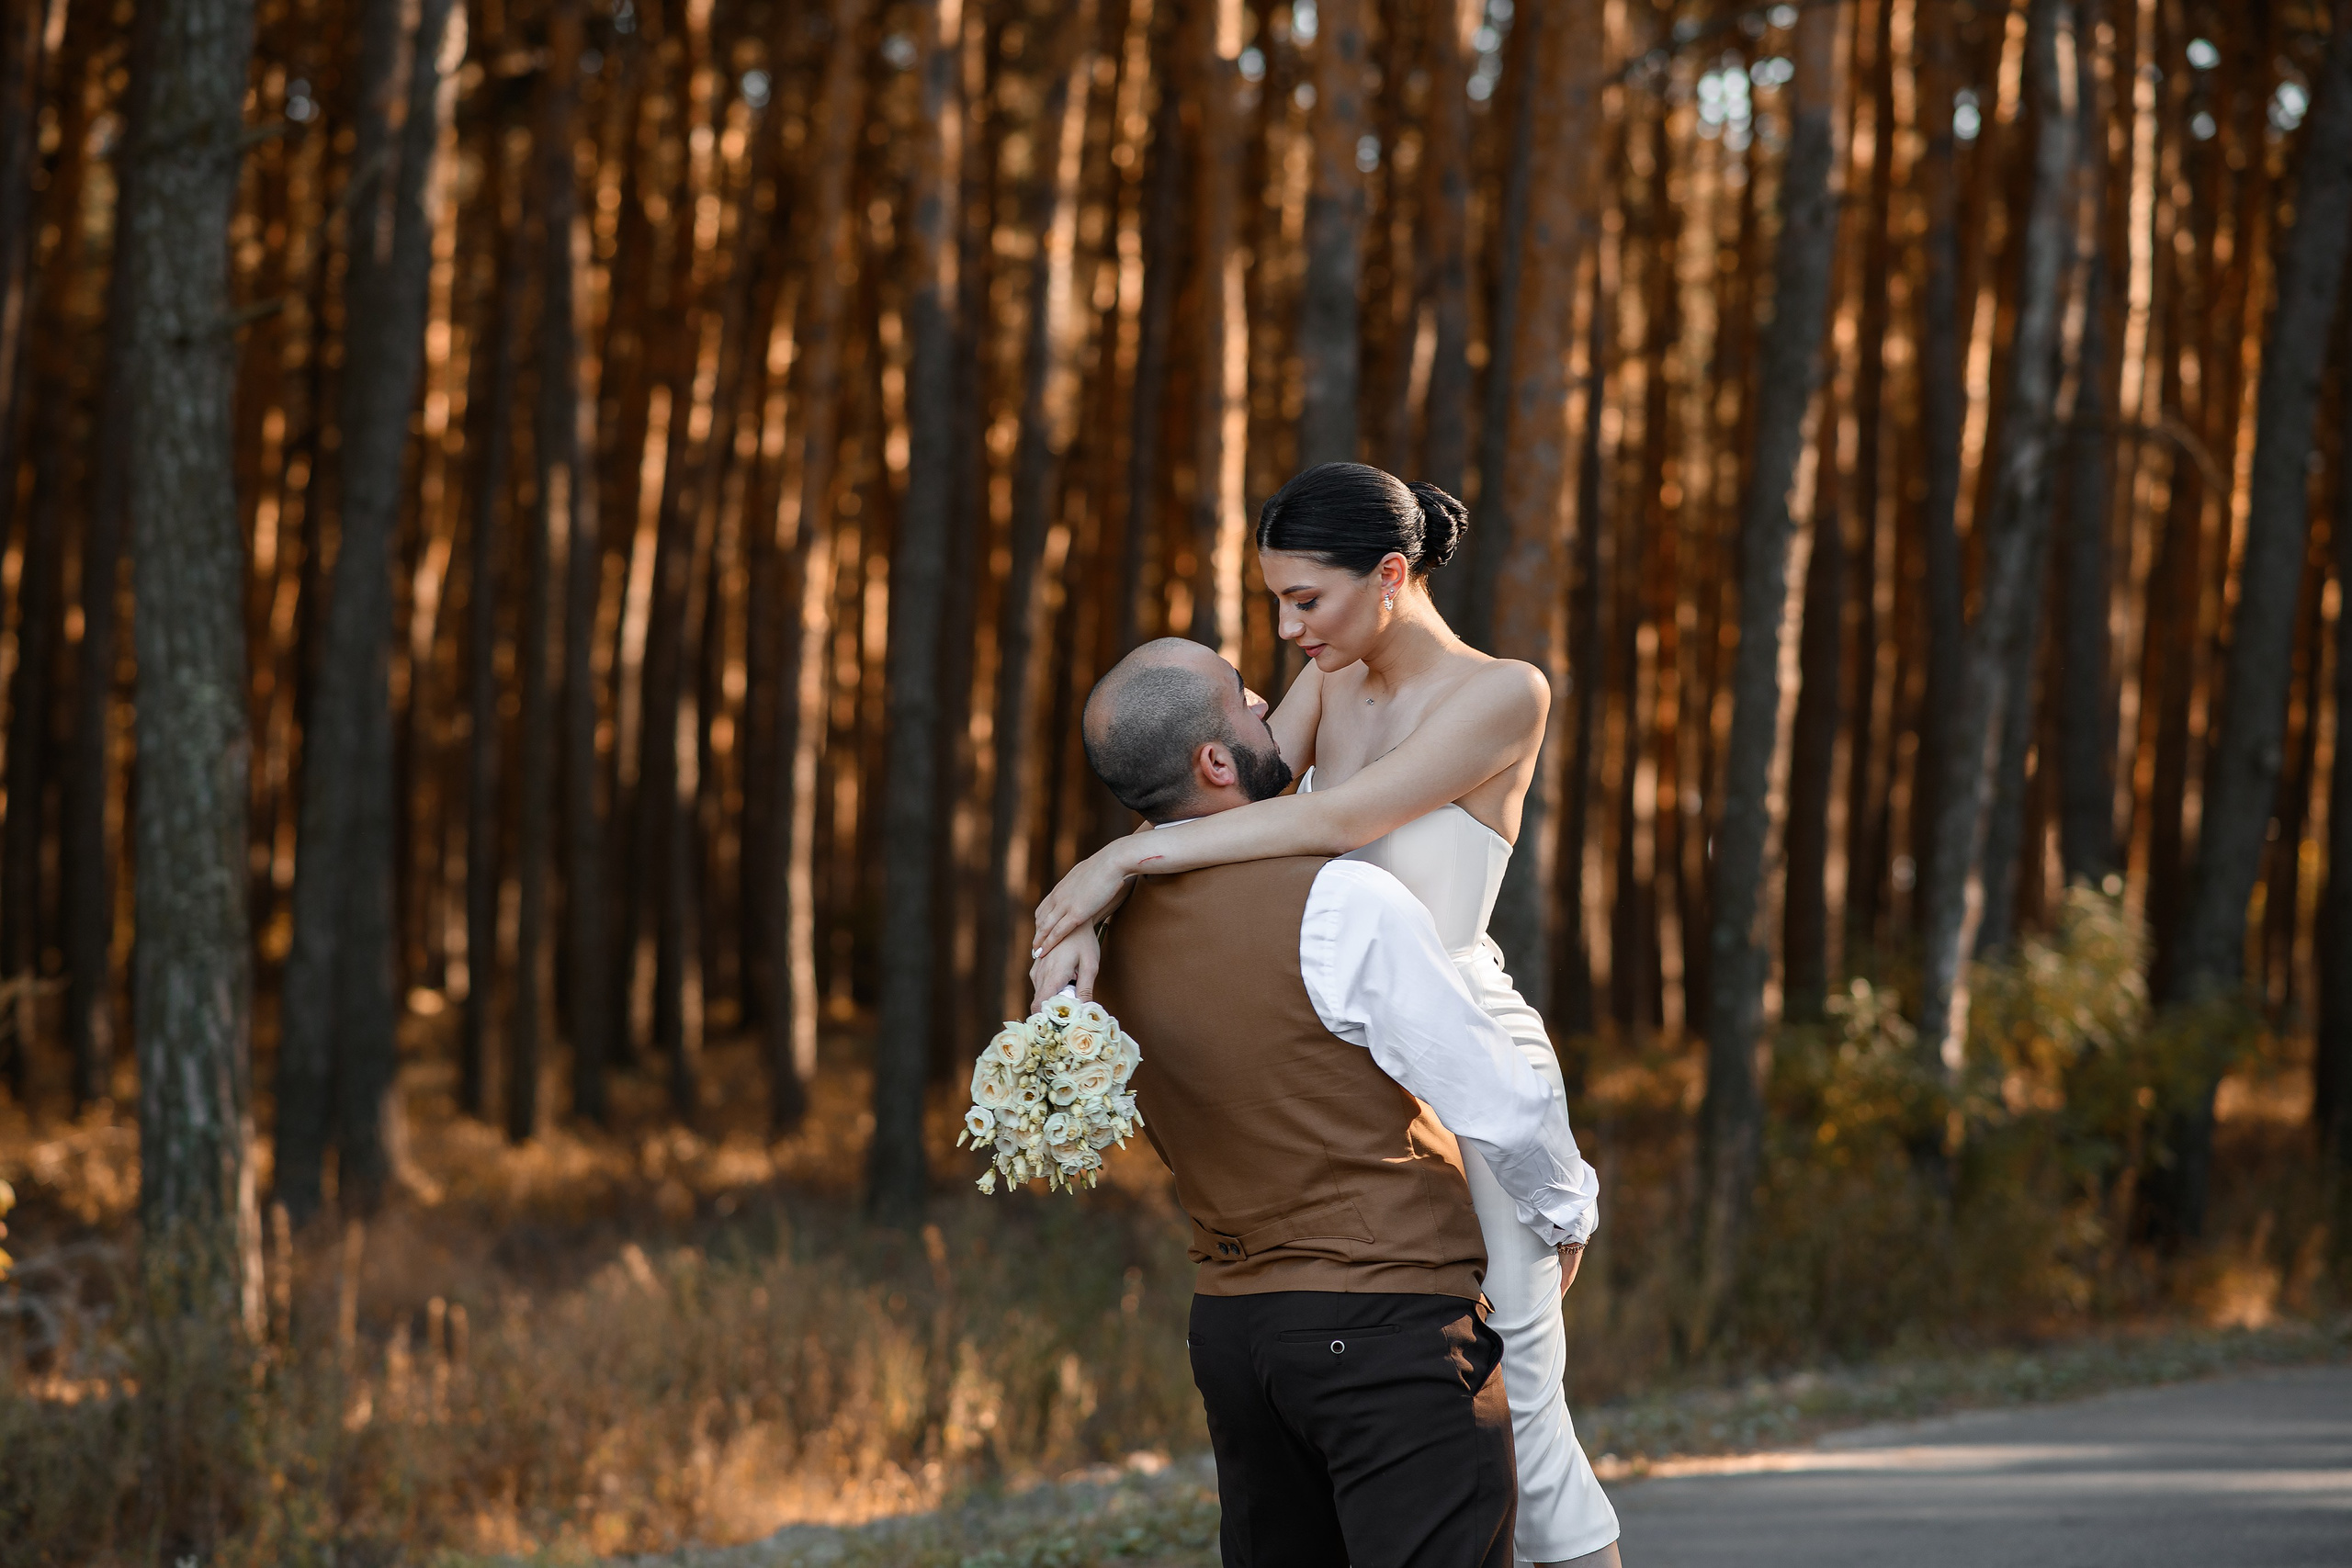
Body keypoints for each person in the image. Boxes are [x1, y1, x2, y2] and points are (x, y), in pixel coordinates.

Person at [1035, 462, 1623, 1567]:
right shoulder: (1327, 679)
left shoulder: (1503, 692)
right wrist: (1096, 910)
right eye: (1273, 603)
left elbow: (1340, 816)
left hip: (1458, 1052)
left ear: (1392, 574)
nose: (1287, 630)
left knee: (1530, 1427)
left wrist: (1120, 856)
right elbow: (1236, 799)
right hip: (1350, 1055)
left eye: (1305, 599)